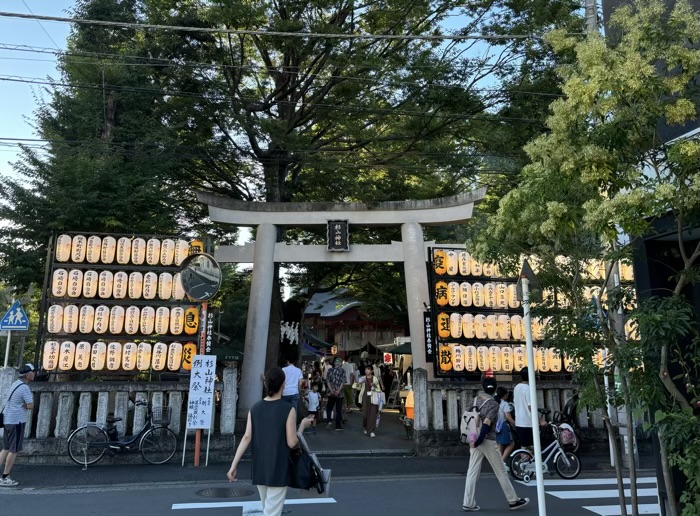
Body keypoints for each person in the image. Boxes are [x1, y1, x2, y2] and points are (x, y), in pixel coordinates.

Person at [227, 367, 313, 516]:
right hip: (278, 468)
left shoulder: (255, 408)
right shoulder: (288, 409)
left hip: (260, 467)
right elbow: (292, 442)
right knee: (271, 513)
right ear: (283, 385)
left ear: (266, 385)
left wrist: (233, 465)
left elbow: (247, 437)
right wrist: (302, 427)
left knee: (268, 509)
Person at [462, 376, 529, 512]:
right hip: (487, 439)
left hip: (473, 438)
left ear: (483, 386)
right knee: (501, 471)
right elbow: (487, 424)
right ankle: (513, 500)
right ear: (495, 388)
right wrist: (480, 439)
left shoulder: (474, 400)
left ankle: (468, 502)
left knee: (472, 471)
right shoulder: (493, 404)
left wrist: (473, 440)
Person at [0, 364, 36, 487]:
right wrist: (25, 406)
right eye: (33, 372)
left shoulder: (15, 384)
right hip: (17, 421)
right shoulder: (24, 388)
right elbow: (31, 405)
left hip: (7, 419)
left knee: (6, 447)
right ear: (27, 374)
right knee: (13, 450)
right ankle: (5, 477)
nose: (34, 374)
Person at [358, 365, 381, 437]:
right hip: (365, 397)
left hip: (373, 397)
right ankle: (365, 427)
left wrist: (375, 386)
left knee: (373, 414)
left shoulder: (375, 378)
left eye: (368, 369)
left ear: (371, 371)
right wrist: (358, 383)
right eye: (365, 369)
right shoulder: (363, 378)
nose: (366, 371)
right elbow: (358, 388)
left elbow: (379, 389)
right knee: (364, 414)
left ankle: (371, 431)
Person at [513, 367, 533, 449]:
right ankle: (526, 461)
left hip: (519, 421)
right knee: (530, 446)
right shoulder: (528, 389)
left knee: (524, 446)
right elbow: (530, 407)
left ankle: (524, 461)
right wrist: (540, 420)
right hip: (528, 422)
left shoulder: (516, 387)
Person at [495, 386, 515, 462]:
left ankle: (499, 462)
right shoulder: (505, 404)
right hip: (503, 425)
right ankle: (502, 461)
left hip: (496, 426)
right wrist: (514, 424)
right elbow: (508, 417)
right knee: (511, 443)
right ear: (505, 395)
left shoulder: (495, 402)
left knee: (500, 444)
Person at [325, 357, 345, 430]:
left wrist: (332, 390)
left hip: (331, 393)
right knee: (338, 409)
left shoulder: (330, 370)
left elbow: (328, 381)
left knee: (329, 407)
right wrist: (338, 391)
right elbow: (343, 382)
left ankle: (329, 421)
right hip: (340, 394)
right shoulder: (342, 371)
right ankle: (338, 425)